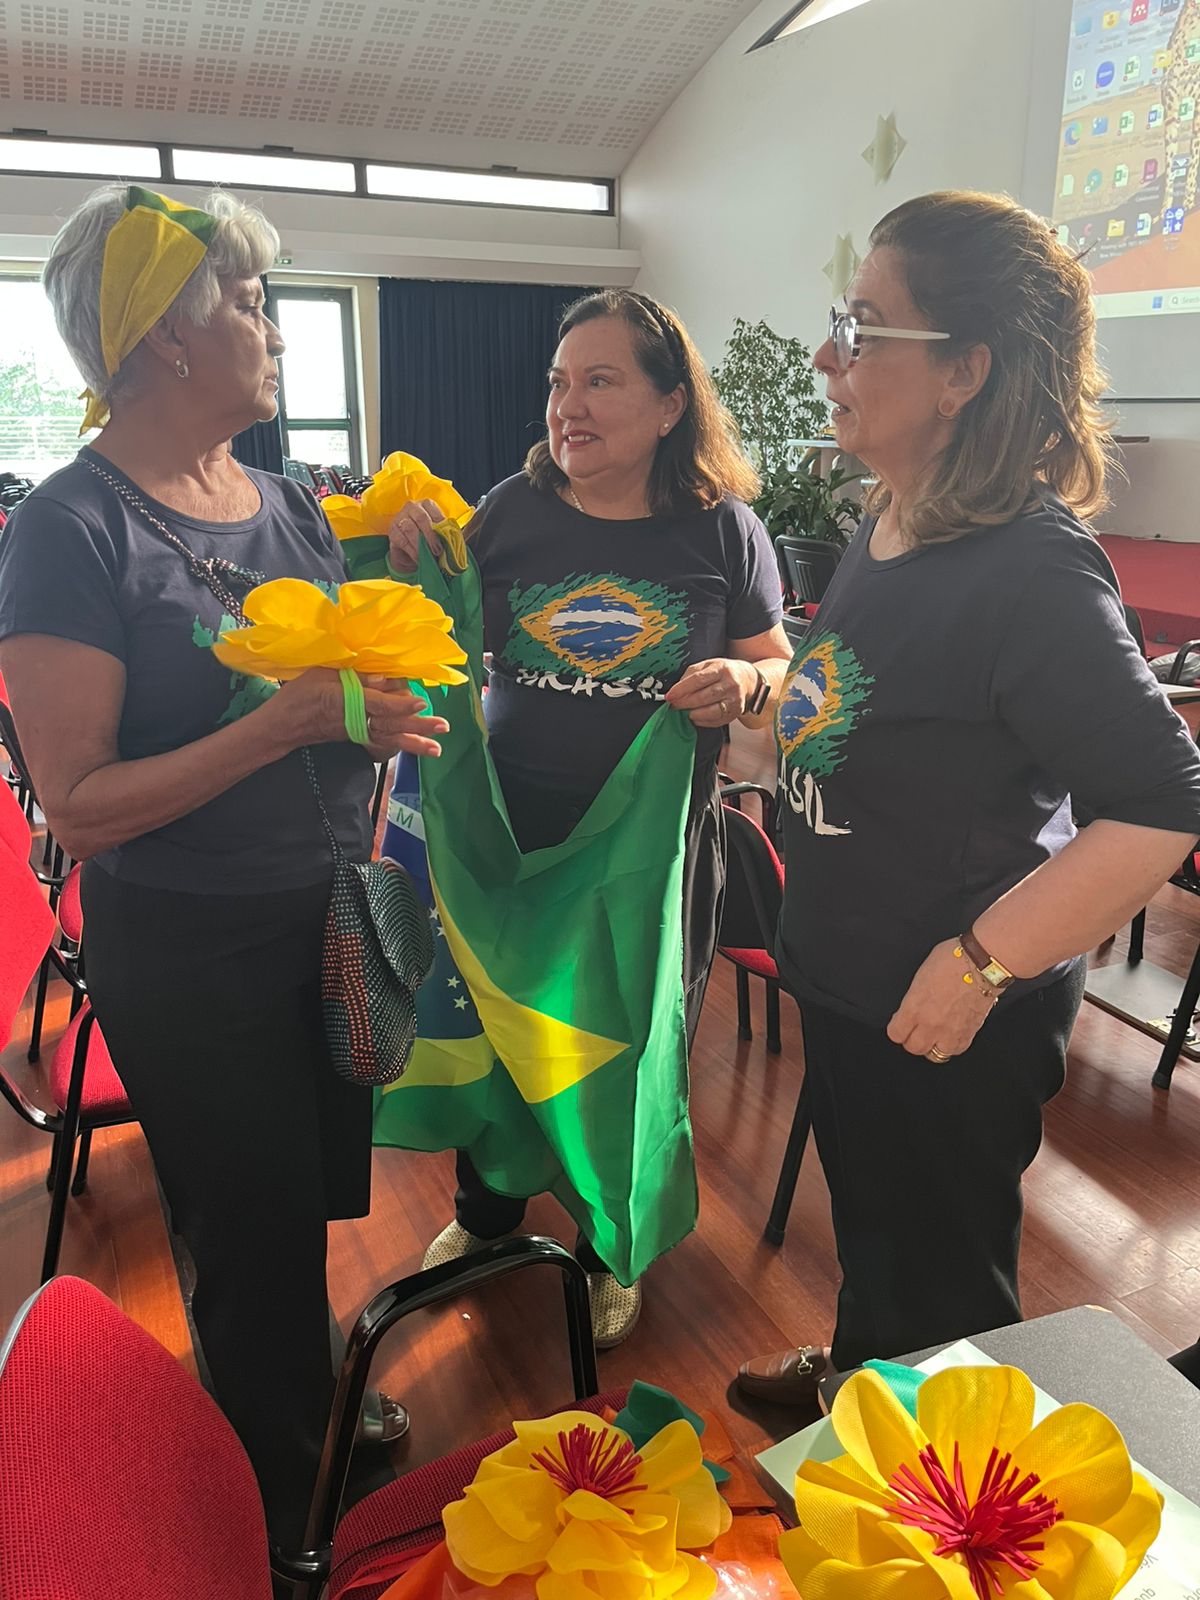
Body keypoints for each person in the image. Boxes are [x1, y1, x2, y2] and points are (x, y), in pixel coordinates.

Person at [0, 185, 446, 1550]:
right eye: (252, 304)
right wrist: (289, 724)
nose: (277, 331)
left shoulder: (286, 502)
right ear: (166, 337)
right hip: (193, 952)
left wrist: (373, 701)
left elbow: (330, 698)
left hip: (326, 914)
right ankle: (287, 1522)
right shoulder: (70, 529)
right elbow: (77, 808)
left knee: (299, 1210)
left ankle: (300, 1417)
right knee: (246, 1243)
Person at [735, 192, 1200, 1404]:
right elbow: (880, 723)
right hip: (850, 979)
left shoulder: (1030, 568)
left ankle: (928, 1469)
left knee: (941, 1293)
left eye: (862, 326)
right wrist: (756, 723)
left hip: (945, 1011)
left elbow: (1163, 799)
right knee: (880, 1243)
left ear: (964, 372)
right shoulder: (893, 520)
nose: (828, 355)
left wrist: (983, 963)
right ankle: (860, 1375)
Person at [386, 289, 793, 1346]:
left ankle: (611, 1246)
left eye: (601, 381)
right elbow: (431, 637)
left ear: (670, 405)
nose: (569, 406)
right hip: (510, 843)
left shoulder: (724, 528)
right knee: (499, 1029)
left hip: (650, 859)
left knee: (627, 1046)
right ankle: (485, 1217)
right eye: (559, 382)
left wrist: (746, 684)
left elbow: (784, 669)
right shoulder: (510, 512)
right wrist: (405, 557)